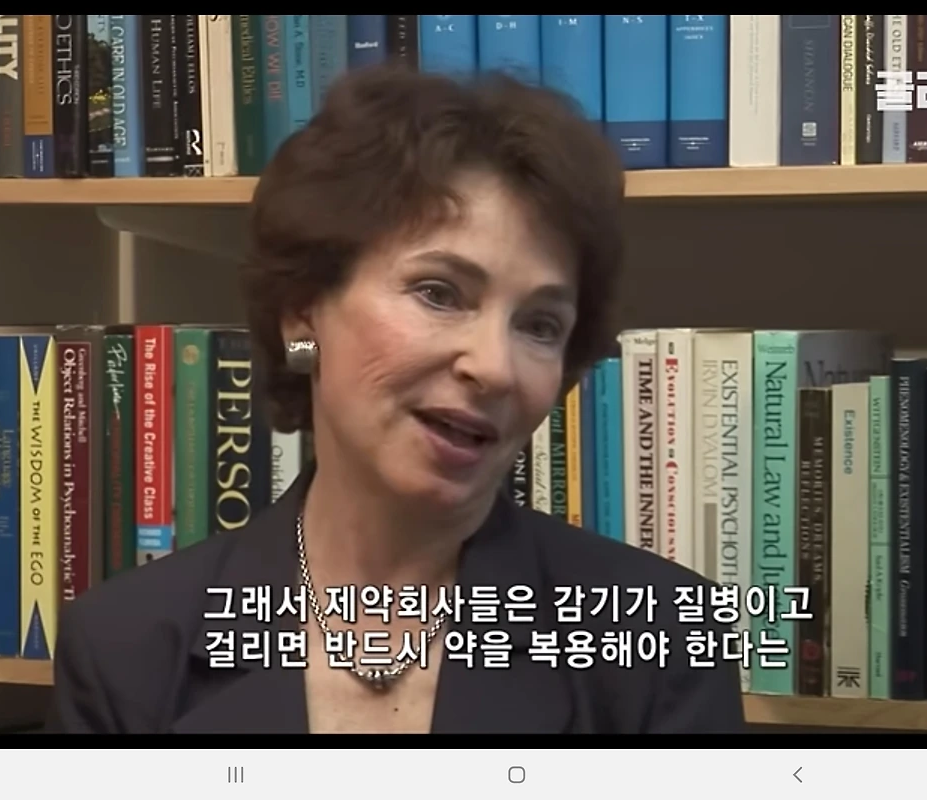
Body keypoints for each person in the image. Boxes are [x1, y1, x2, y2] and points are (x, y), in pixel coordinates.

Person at [47, 66, 745, 734]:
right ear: (302, 312)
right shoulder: (122, 651)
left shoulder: (664, 644)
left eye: (540, 326)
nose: (494, 368)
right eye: (439, 293)